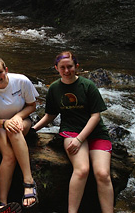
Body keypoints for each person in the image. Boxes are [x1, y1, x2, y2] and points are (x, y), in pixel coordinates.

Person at [32, 51, 113, 213]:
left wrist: (81, 139)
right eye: (62, 67)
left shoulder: (88, 86)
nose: (67, 71)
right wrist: (32, 130)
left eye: (70, 67)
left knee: (103, 174)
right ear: (56, 68)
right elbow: (50, 115)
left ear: (77, 67)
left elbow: (95, 116)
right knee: (82, 170)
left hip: (96, 133)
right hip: (71, 132)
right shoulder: (55, 88)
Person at [0, 56, 39, 208]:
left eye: (0, 72)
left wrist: (17, 117)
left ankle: (28, 181)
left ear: (6, 70)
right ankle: (3, 201)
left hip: (21, 120)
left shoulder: (21, 81)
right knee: (9, 155)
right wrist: (4, 123)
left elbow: (32, 106)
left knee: (14, 131)